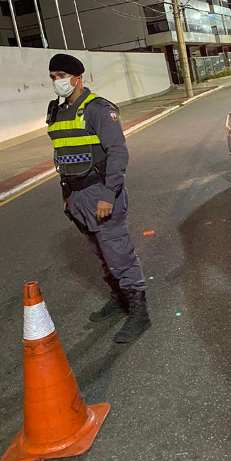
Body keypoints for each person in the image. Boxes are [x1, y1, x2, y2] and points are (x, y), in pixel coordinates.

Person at [46, 53, 151, 343]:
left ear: (77, 78)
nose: (57, 82)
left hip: (100, 192)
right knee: (101, 254)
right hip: (76, 195)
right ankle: (120, 299)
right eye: (53, 77)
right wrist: (66, 194)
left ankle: (140, 313)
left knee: (119, 253)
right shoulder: (56, 112)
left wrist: (109, 195)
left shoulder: (97, 109)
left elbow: (118, 153)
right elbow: (61, 156)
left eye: (61, 76)